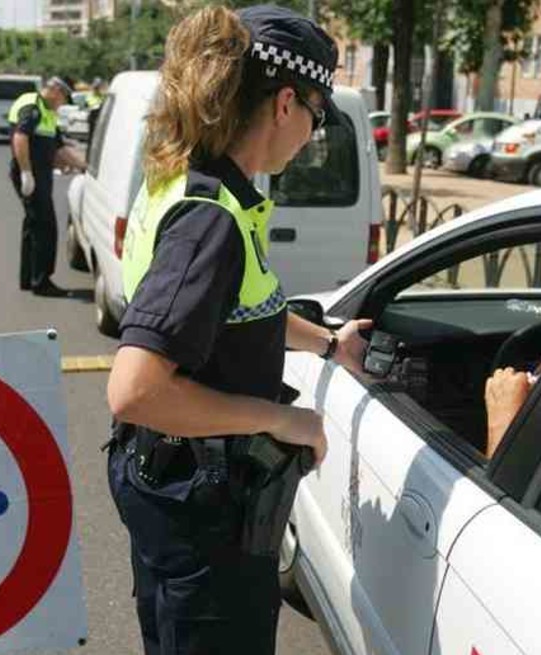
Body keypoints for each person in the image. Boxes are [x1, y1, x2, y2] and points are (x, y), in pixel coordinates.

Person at [104, 6, 369, 653]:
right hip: (204, 517)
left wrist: (330, 342)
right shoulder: (210, 220)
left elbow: (237, 312)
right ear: (286, 103)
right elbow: (134, 388)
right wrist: (282, 420)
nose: (311, 135)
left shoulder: (176, 179)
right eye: (316, 116)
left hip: (163, 480)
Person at [7, 76, 85, 296]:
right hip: (31, 174)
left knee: (33, 225)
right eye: (63, 98)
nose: (62, 104)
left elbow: (58, 148)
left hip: (39, 174)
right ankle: (42, 282)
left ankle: (29, 278)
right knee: (45, 226)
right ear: (56, 91)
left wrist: (81, 165)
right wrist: (26, 173)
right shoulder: (32, 106)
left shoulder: (47, 113)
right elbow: (20, 138)